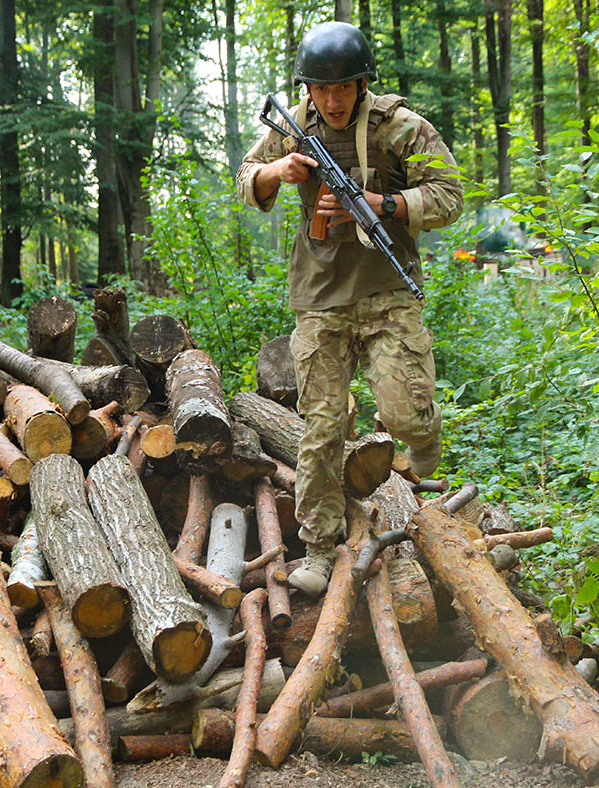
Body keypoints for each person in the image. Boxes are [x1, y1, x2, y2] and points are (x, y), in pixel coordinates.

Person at [236, 21, 463, 596]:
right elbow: (245, 177)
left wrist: (379, 203)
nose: (332, 101)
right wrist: (275, 172)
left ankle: (425, 431)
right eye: (321, 90)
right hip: (320, 296)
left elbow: (449, 197)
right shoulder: (293, 126)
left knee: (405, 415)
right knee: (321, 425)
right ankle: (317, 546)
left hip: (387, 288)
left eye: (343, 89)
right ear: (308, 89)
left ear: (363, 84)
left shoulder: (400, 127)